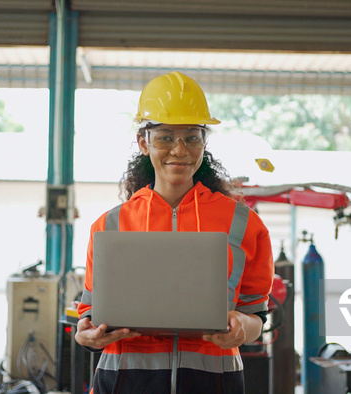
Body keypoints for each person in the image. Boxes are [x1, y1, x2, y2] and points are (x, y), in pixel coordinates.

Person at [75, 71, 274, 393]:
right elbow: (88, 318)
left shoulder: (243, 223)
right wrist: (86, 336)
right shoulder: (110, 224)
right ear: (144, 142)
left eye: (192, 137)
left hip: (212, 383)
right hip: (126, 381)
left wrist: (242, 329)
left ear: (204, 143)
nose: (179, 150)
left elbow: (255, 316)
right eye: (165, 136)